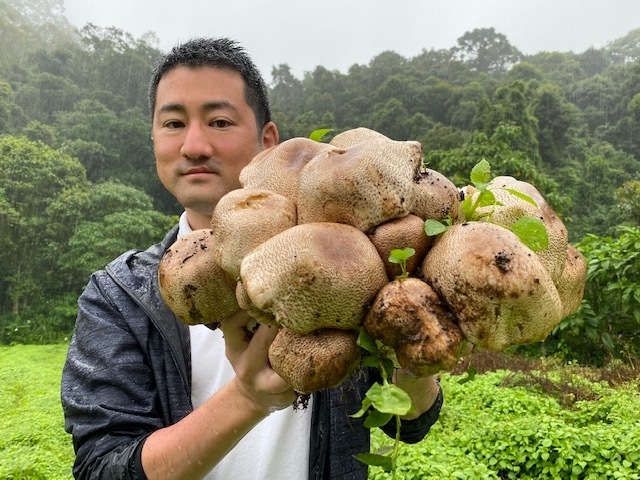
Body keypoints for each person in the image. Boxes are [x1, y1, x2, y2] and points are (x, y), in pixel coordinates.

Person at [61, 37, 443, 480]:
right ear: (153, 139)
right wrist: (247, 398)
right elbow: (101, 468)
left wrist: (417, 347)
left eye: (220, 121)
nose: (194, 145)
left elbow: (413, 421)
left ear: (268, 141)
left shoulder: (352, 260)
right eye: (173, 124)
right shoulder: (120, 297)